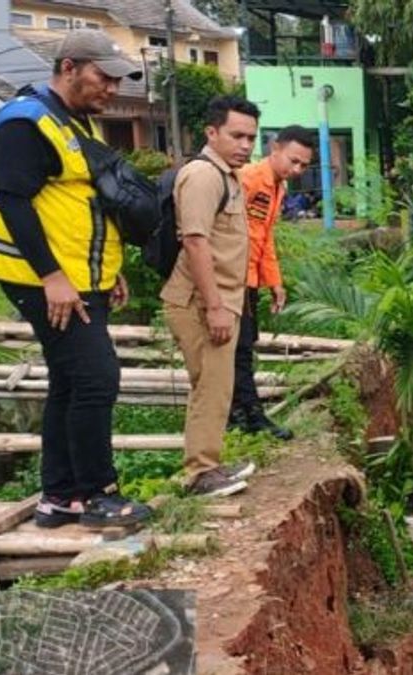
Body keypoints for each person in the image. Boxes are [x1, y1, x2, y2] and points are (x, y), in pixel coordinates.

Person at [0, 30, 151, 528]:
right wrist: (53, 277)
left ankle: (60, 496)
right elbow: (11, 200)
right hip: (47, 281)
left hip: (83, 278)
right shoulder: (25, 122)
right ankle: (100, 494)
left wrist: (108, 271)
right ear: (70, 67)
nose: (111, 89)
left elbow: (84, 205)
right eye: (104, 77)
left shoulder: (76, 123)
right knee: (98, 378)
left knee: (71, 382)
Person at [161, 96, 260, 498]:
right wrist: (215, 306)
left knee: (216, 386)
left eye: (251, 138)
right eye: (236, 135)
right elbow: (196, 243)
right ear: (211, 132)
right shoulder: (203, 177)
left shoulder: (228, 176)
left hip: (220, 301)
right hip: (202, 304)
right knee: (210, 386)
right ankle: (200, 472)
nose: (245, 145)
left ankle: (209, 464)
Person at [229, 126, 315, 439]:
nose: (297, 170)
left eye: (304, 165)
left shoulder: (278, 187)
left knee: (244, 346)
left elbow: (265, 238)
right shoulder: (248, 178)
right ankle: (246, 416)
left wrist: (274, 283)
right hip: (230, 278)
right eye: (293, 161)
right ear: (275, 149)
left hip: (248, 280)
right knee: (237, 350)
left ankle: (244, 416)